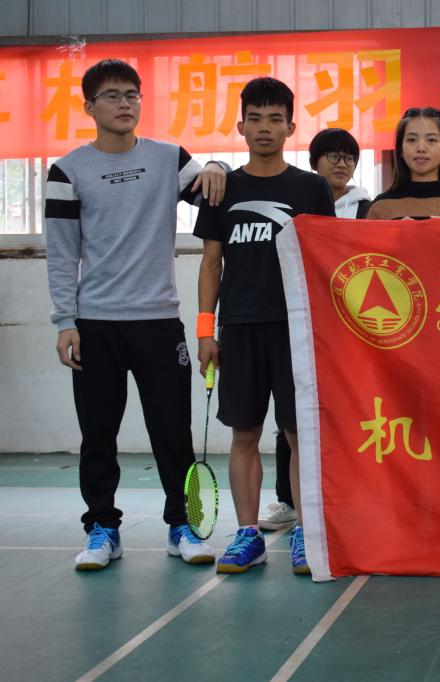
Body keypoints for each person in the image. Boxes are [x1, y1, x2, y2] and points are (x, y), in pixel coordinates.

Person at [45, 58, 225, 570]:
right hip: (95, 325)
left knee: (173, 432)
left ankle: (182, 525)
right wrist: (65, 321)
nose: (125, 104)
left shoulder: (169, 159)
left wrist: (217, 165)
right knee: (98, 434)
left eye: (132, 95)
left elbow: (213, 190)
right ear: (89, 107)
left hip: (158, 322)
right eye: (113, 96)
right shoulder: (67, 171)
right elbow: (62, 253)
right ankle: (102, 528)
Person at [194, 77, 335, 575]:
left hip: (297, 330)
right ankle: (247, 535)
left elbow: (328, 259)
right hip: (239, 329)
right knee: (245, 433)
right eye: (254, 118)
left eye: (275, 119)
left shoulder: (311, 188)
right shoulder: (223, 188)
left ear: (291, 128)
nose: (264, 128)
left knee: (298, 435)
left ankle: (305, 534)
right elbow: (211, 263)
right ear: (241, 126)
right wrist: (205, 331)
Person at [258, 126, 374, 532]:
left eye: (349, 157)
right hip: (300, 323)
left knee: (350, 413)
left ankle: (347, 496)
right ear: (314, 162)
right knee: (292, 415)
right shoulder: (297, 202)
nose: (342, 163)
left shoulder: (367, 208)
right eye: (333, 156)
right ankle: (288, 501)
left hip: (349, 328)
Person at [366, 107, 440, 223]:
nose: (421, 148)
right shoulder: (380, 207)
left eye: (431, 140)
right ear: (401, 150)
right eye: (412, 140)